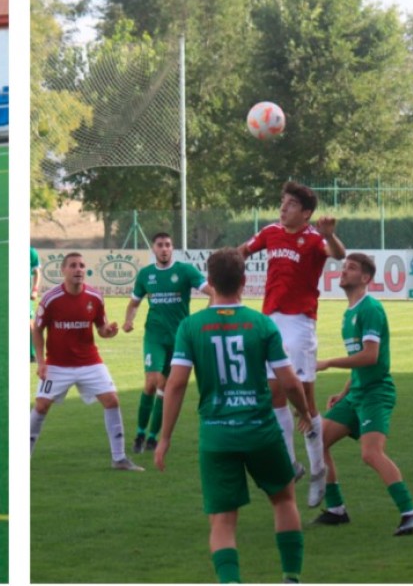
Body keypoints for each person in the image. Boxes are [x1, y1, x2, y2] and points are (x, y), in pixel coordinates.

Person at [155, 248, 311, 584]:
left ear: (209, 282)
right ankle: (291, 576)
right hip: (261, 430)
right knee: (284, 500)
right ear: (244, 281)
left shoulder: (191, 326)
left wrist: (164, 437)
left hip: (216, 434)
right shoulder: (261, 324)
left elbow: (177, 383)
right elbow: (290, 382)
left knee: (223, 520)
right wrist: (306, 413)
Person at [238, 179, 345, 507]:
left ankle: (317, 470)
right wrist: (232, 263)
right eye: (282, 202)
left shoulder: (314, 239)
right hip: (270, 321)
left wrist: (329, 234)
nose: (283, 208)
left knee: (306, 401)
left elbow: (338, 255)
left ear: (307, 213)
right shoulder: (270, 232)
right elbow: (243, 250)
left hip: (300, 323)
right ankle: (290, 464)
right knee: (273, 393)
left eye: (291, 205)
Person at [314, 252, 413, 536]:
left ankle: (411, 513)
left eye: (351, 268)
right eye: (343, 267)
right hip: (357, 393)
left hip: (376, 393)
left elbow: (370, 356)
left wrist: (328, 363)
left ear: (365, 278)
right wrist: (343, 393)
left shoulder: (370, 309)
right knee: (317, 442)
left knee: (371, 453)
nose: (343, 271)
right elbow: (358, 362)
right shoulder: (349, 312)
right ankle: (337, 509)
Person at [30, 252, 142, 472]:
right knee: (41, 405)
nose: (78, 269)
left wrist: (108, 331)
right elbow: (38, 329)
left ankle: (119, 459)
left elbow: (101, 328)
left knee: (112, 400)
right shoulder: (51, 299)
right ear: (63, 271)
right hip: (57, 365)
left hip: (90, 362)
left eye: (81, 265)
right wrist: (42, 361)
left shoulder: (95, 297)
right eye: (73, 265)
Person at [122, 232, 206, 453]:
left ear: (173, 248)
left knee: (164, 387)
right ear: (153, 248)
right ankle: (140, 432)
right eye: (160, 245)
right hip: (155, 337)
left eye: (168, 245)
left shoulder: (185, 271)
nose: (164, 249)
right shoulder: (145, 275)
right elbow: (133, 304)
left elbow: (212, 291)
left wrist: (206, 317)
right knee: (152, 381)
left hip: (179, 339)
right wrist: (128, 321)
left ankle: (152, 437)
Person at [30, 247, 42, 362]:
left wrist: (34, 289)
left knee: (29, 323)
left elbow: (37, 272)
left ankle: (32, 354)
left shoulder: (31, 252)